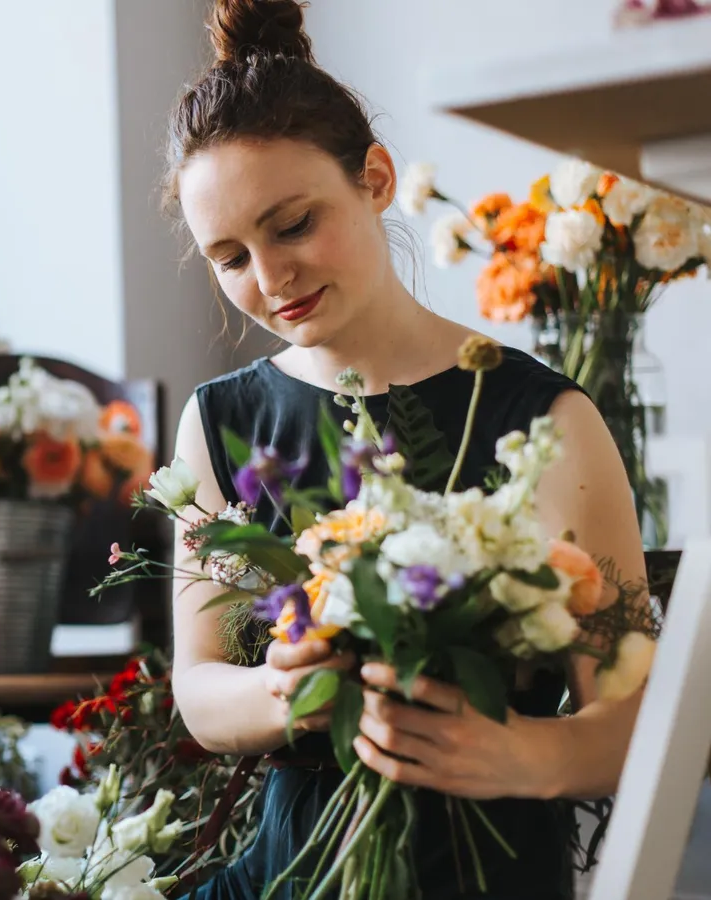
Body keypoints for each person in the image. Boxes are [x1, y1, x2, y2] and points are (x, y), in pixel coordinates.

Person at [163, 1, 649, 897]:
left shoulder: (546, 417)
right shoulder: (219, 421)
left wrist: (523, 755)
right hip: (290, 873)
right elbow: (197, 690)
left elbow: (638, 719)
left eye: (293, 224)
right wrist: (280, 689)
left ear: (377, 179)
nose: (270, 279)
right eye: (230, 257)